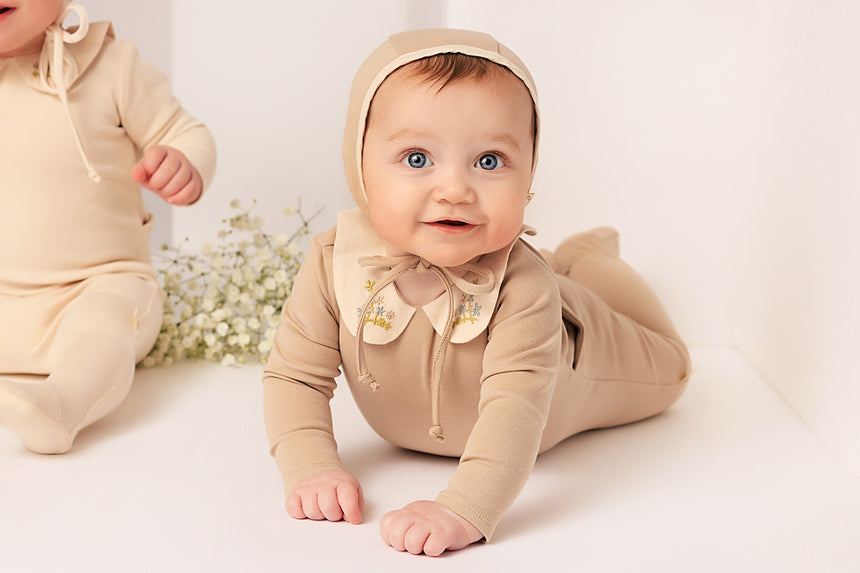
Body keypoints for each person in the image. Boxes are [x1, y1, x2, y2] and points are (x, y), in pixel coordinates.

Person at [262, 28, 690, 557]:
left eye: (489, 161)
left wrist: (464, 508)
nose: (455, 190)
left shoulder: (525, 289)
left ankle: (589, 258)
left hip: (580, 353)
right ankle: (571, 264)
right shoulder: (334, 261)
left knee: (673, 368)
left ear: (528, 171)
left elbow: (515, 412)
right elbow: (294, 377)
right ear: (360, 164)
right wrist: (311, 467)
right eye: (417, 158)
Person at [0, 1, 216, 454]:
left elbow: (184, 132)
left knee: (104, 326)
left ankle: (61, 405)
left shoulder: (111, 66)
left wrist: (184, 163)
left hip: (99, 284)